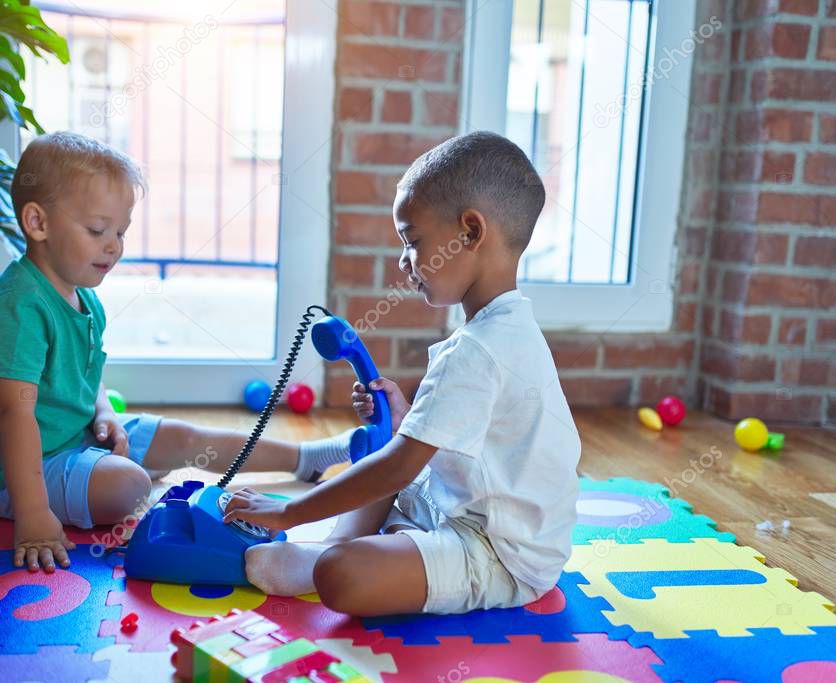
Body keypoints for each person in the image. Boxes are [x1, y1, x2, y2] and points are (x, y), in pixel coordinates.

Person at [0, 132, 352, 574]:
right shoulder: (18, 308)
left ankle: (306, 458)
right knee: (131, 487)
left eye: (120, 231)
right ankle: (107, 487)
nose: (114, 245)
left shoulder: (83, 297)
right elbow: (13, 416)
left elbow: (87, 378)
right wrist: (33, 516)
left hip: (75, 437)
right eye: (98, 230)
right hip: (14, 471)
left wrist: (104, 413)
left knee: (184, 438)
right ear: (38, 223)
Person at [225, 131, 581, 617]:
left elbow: (400, 465)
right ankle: (327, 548)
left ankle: (322, 564)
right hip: (462, 508)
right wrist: (409, 417)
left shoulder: (479, 350)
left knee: (345, 572)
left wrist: (289, 511)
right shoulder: (508, 328)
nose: (404, 261)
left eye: (413, 241)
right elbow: (471, 439)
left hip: (500, 554)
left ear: (471, 232)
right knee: (388, 460)